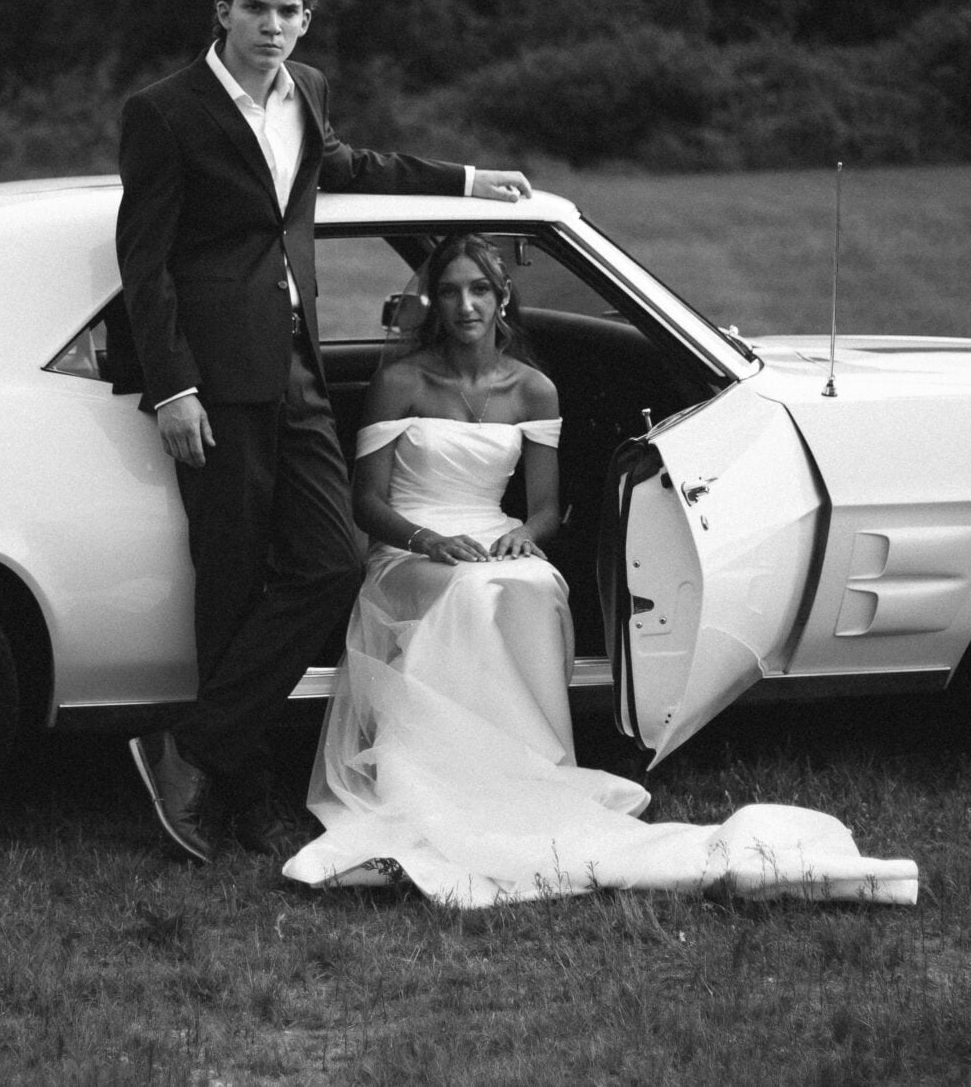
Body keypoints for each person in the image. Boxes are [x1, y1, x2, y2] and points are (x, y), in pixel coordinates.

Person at [282, 232, 920, 908]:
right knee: (473, 591)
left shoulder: (533, 388)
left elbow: (548, 510)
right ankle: (450, 774)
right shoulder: (400, 381)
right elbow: (367, 500)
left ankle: (518, 770)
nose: (465, 303)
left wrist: (522, 538)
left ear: (502, 299)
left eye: (479, 289)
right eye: (449, 290)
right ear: (431, 302)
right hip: (411, 548)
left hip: (494, 538)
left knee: (531, 583)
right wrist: (430, 540)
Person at [116, 0, 532, 864]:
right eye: (257, 7)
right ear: (222, 10)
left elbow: (348, 166)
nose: (274, 25)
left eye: (290, 11)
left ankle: (192, 746)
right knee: (229, 585)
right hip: (214, 382)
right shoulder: (164, 112)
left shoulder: (307, 92)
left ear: (307, 21)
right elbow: (144, 263)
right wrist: (172, 385)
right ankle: (249, 792)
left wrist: (464, 182)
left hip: (295, 366)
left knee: (330, 561)